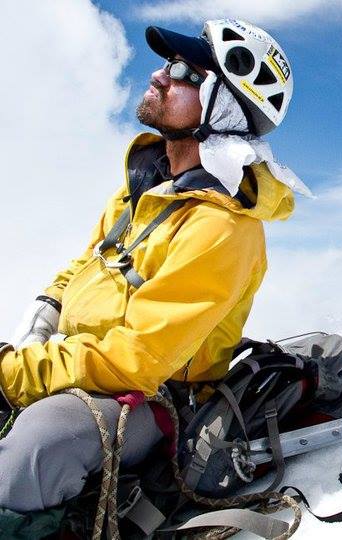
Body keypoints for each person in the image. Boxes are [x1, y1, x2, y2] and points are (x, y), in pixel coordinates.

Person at [0, 18, 310, 532]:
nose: (161, 75)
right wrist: (48, 309)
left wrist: (13, 376)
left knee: (36, 451)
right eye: (170, 64)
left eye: (185, 71)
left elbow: (137, 360)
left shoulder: (223, 227)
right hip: (81, 359)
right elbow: (90, 261)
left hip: (153, 395)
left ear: (225, 107)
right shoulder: (145, 186)